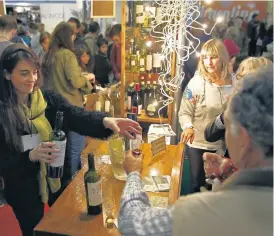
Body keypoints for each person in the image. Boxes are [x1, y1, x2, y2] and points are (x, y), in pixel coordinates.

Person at [0, 43, 142, 236]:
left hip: (55, 178)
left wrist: (107, 121)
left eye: (35, 72)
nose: (32, 79)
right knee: (33, 230)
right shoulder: (3, 113)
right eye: (24, 73)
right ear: (7, 74)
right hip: (23, 187)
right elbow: (4, 163)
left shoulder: (47, 100)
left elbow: (75, 115)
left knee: (63, 224)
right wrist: (30, 156)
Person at [118, 65, 273, 236]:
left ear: (243, 140)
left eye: (228, 125)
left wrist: (133, 174)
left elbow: (133, 224)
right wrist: (231, 171)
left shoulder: (204, 212)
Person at [42, 22, 96, 186]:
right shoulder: (67, 55)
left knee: (61, 151)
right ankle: (75, 184)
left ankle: (63, 184)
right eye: (72, 36)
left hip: (54, 108)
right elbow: (75, 80)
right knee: (75, 149)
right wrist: (87, 81)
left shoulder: (49, 55)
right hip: (72, 106)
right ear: (68, 36)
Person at [178, 39, 234, 193]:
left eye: (213, 57)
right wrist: (188, 126)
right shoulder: (196, 83)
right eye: (205, 58)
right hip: (198, 144)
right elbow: (184, 112)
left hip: (224, 146)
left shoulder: (235, 83)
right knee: (198, 185)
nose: (209, 62)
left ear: (222, 57)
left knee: (219, 187)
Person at [204, 57, 273, 157]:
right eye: (240, 77)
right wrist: (225, 115)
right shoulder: (235, 104)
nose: (241, 83)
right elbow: (209, 135)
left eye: (247, 78)